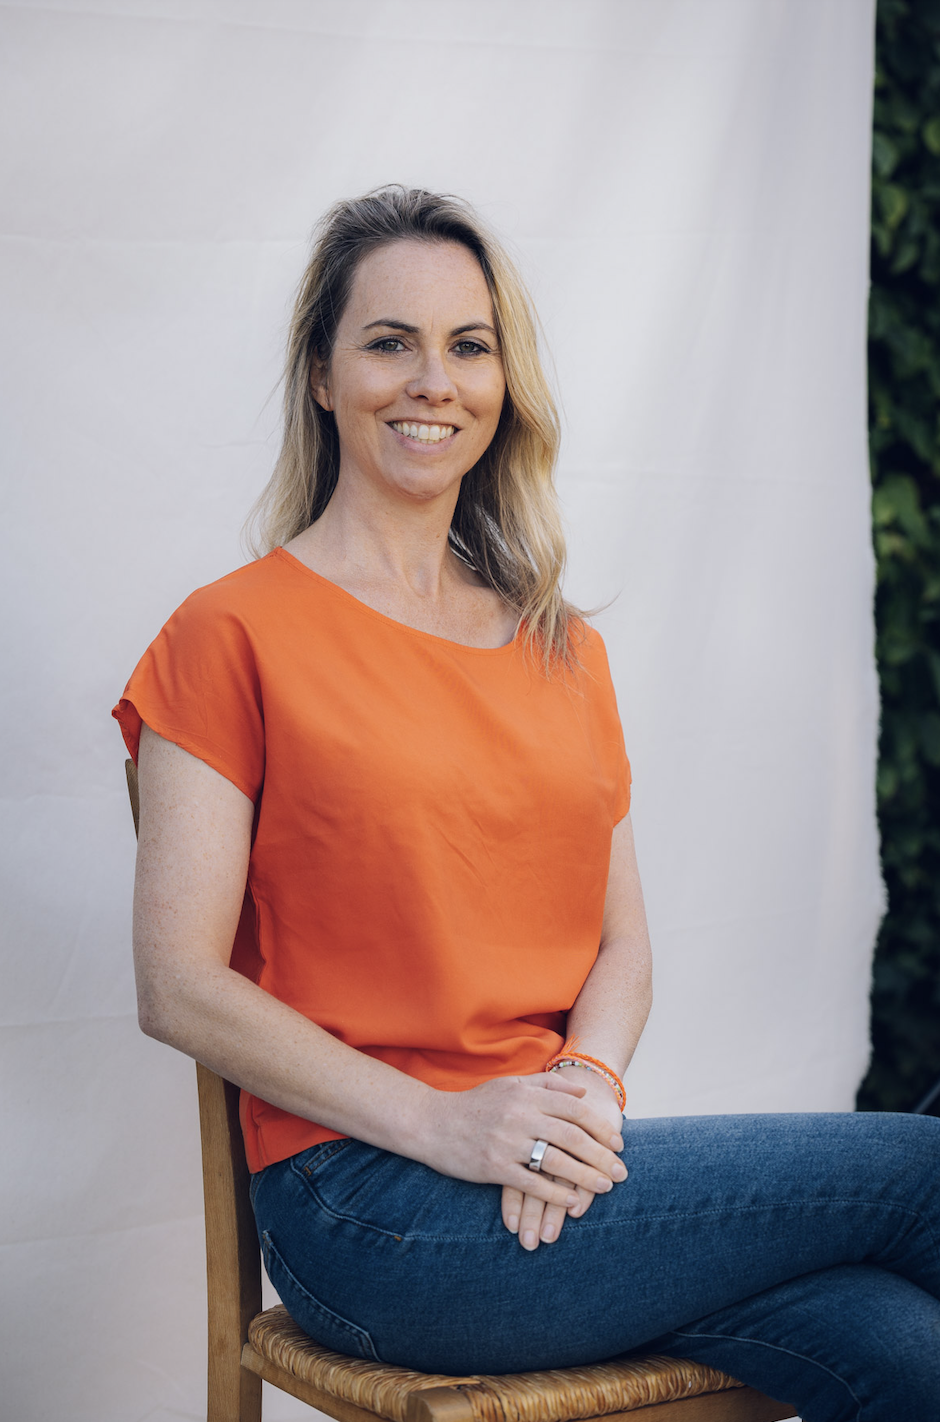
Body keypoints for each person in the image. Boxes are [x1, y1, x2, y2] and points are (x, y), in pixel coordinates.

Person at [115, 186, 940, 1422]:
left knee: (900, 1345)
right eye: (388, 341)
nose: (430, 380)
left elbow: (623, 944)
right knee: (924, 1175)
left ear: (505, 384)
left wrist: (583, 1095)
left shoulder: (561, 650)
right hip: (371, 1210)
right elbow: (175, 981)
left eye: (469, 344)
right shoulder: (229, 634)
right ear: (323, 375)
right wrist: (446, 1126)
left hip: (552, 1181)